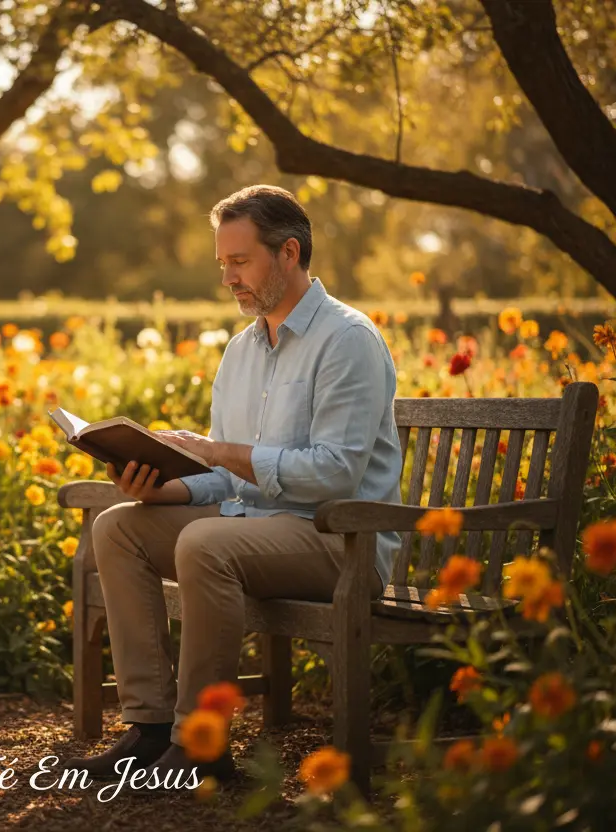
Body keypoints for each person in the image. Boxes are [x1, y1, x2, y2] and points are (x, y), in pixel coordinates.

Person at [60, 184, 402, 791]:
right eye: (223, 263)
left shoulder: (347, 339)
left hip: (341, 543)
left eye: (240, 261)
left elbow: (335, 473)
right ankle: (150, 729)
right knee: (119, 527)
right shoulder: (241, 350)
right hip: (254, 529)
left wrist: (218, 452)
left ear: (288, 253)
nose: (228, 279)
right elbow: (227, 475)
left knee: (205, 543)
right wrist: (161, 488)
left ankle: (202, 743)